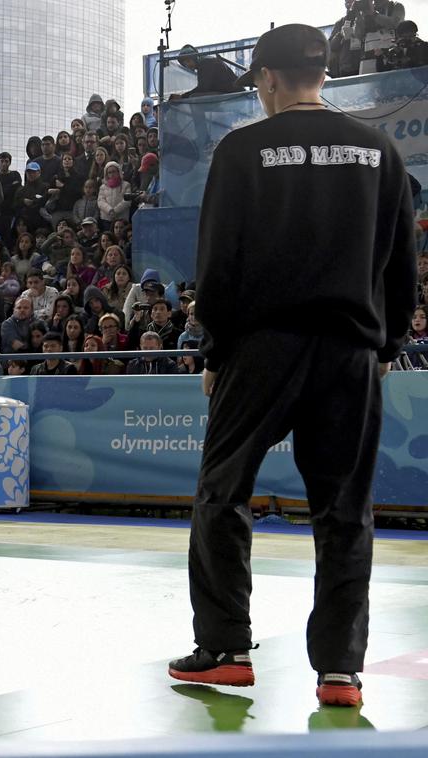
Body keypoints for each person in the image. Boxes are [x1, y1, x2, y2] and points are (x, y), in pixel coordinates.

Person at [167, 24, 417, 708]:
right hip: (351, 352)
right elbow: (401, 267)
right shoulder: (380, 150)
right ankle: (340, 672)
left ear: (268, 79)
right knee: (344, 511)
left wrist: (215, 351)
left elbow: (219, 265)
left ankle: (224, 651)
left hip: (262, 347)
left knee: (224, 492)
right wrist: (386, 345)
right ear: (324, 75)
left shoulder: (242, 150)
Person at [172, 44, 245, 100]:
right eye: (185, 64)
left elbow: (202, 88)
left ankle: (199, 120)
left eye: (188, 61)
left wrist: (182, 96)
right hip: (231, 93)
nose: (187, 65)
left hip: (234, 95)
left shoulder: (205, 63)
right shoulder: (205, 62)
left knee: (194, 97)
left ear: (195, 58)